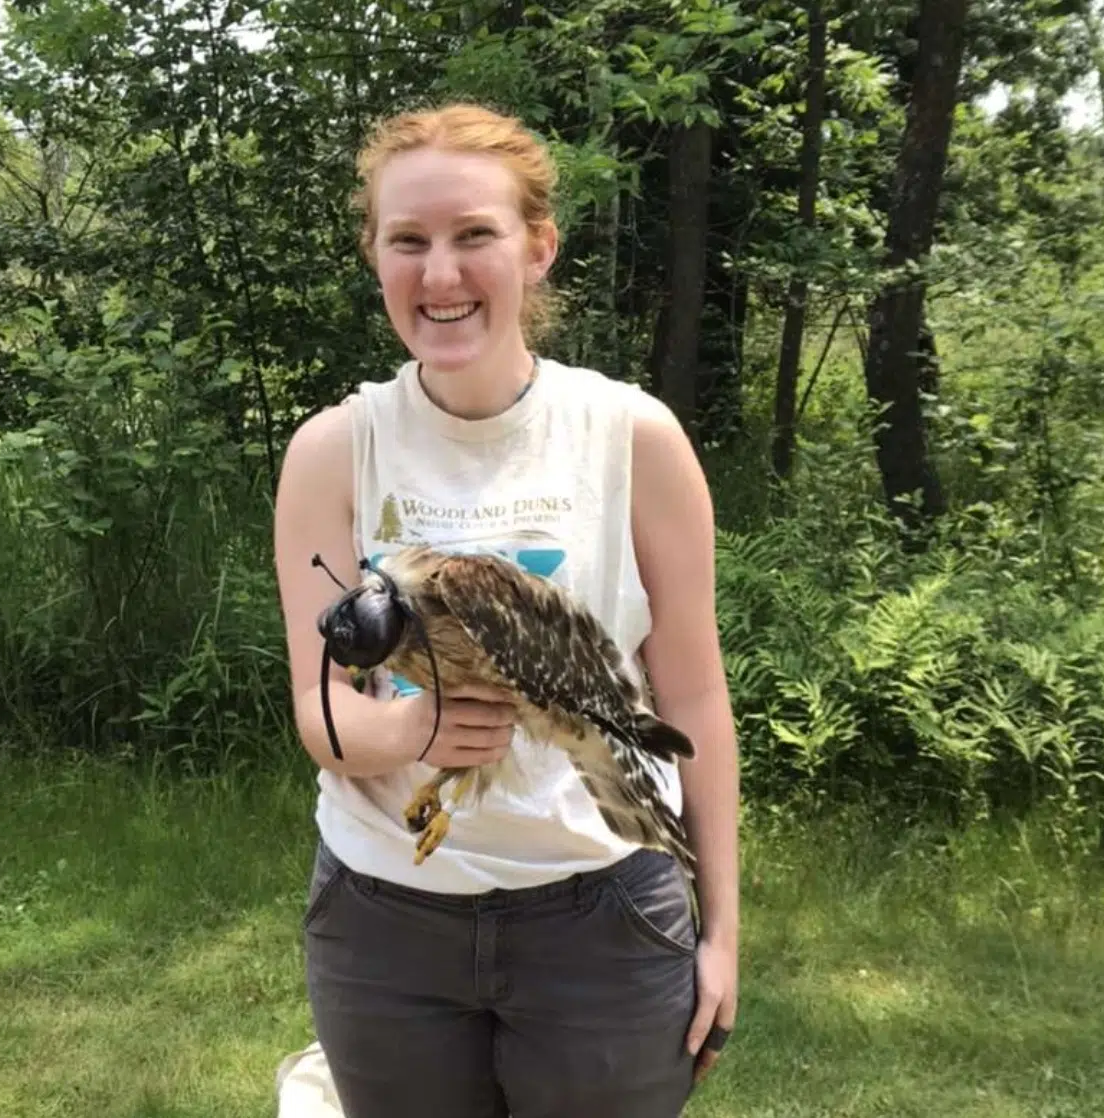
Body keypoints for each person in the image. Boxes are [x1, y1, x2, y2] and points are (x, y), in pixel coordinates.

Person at [272, 101, 739, 1118]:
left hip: (603, 912)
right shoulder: (329, 450)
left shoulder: (631, 437)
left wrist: (722, 931)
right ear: (375, 255)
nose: (439, 274)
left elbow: (693, 696)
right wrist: (412, 725)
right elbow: (320, 709)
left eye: (472, 234)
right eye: (408, 241)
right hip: (382, 918)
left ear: (536, 248)